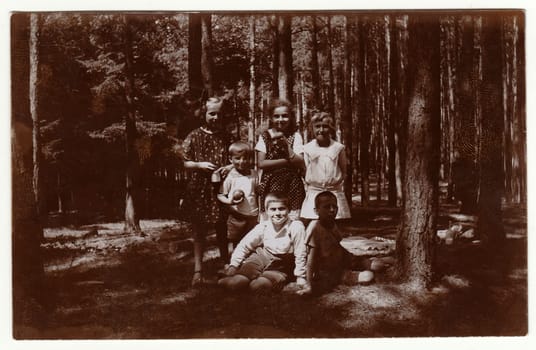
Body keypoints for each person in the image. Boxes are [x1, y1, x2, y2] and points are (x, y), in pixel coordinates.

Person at [181, 97, 232, 287]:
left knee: (222, 228)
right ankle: (198, 271)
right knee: (199, 229)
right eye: (212, 113)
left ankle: (226, 265)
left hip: (221, 187)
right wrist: (199, 164)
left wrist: (229, 167)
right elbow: (185, 162)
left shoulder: (227, 137)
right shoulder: (194, 136)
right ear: (204, 114)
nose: (216, 117)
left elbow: (237, 158)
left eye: (219, 113)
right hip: (199, 188)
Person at [218, 192, 308, 293]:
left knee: (258, 286)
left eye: (281, 209)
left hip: (280, 265)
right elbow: (244, 245)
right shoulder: (264, 226)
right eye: (273, 209)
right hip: (261, 258)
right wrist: (233, 265)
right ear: (267, 211)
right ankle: (224, 280)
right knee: (236, 283)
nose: (277, 213)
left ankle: (260, 280)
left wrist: (301, 276)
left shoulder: (296, 227)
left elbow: (301, 252)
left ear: (288, 210)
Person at [298, 191, 374, 296]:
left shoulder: (332, 224)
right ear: (316, 211)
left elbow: (337, 245)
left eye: (334, 207)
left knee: (376, 265)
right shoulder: (315, 228)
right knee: (368, 276)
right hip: (331, 272)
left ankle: (381, 261)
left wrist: (351, 259)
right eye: (327, 207)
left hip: (345, 260)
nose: (332, 210)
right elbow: (311, 260)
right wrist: (309, 284)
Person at [256, 98, 305, 221]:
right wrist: (288, 162)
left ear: (291, 117)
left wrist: (286, 147)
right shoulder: (265, 136)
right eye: (276, 116)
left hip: (292, 184)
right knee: (271, 219)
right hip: (270, 184)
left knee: (292, 219)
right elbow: (261, 163)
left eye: (284, 116)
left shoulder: (295, 136)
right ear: (271, 118)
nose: (280, 120)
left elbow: (300, 161)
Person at [300, 111, 351, 223]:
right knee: (314, 225)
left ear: (331, 128)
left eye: (325, 126)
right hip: (314, 193)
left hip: (334, 192)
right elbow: (305, 171)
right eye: (317, 126)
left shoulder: (338, 148)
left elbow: (343, 171)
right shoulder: (307, 149)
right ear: (312, 129)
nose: (321, 130)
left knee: (335, 226)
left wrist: (333, 184)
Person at [217, 141, 259, 251]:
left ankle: (249, 264)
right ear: (230, 159)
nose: (242, 161)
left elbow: (257, 191)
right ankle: (235, 264)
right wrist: (229, 201)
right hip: (236, 216)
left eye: (246, 158)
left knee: (252, 241)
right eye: (238, 158)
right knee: (236, 242)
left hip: (253, 215)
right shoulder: (229, 177)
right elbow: (221, 195)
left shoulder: (254, 174)